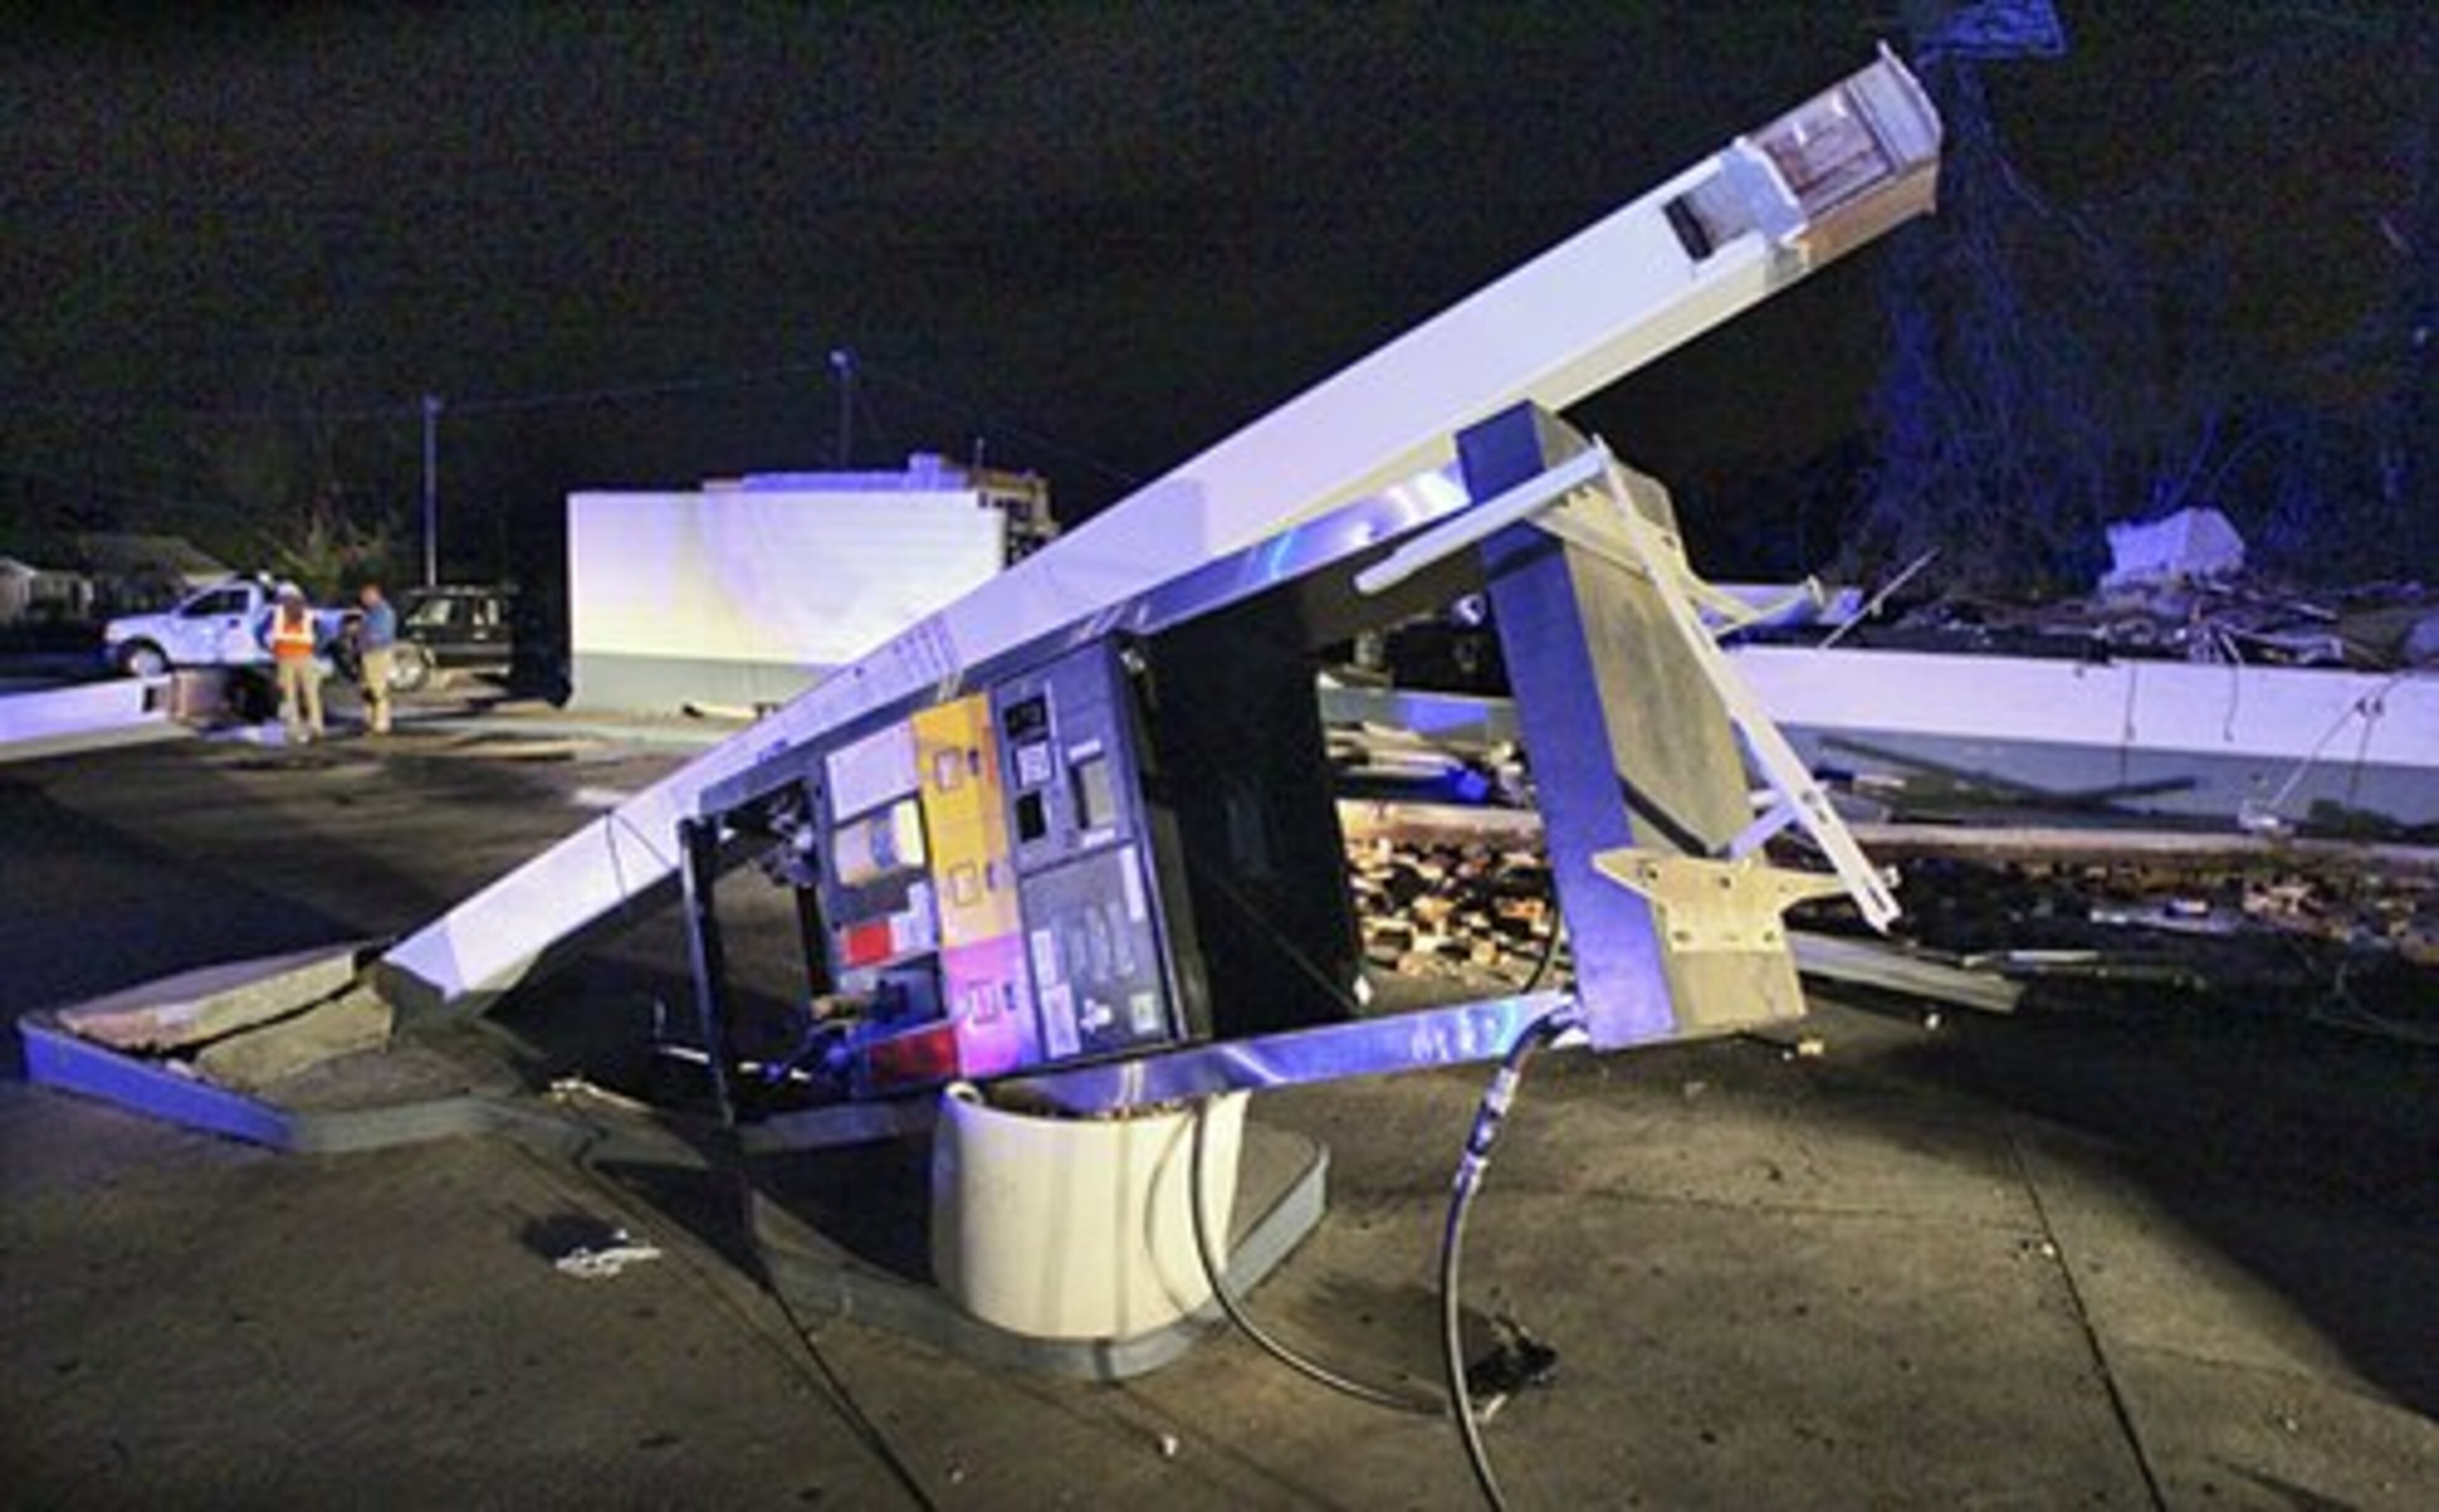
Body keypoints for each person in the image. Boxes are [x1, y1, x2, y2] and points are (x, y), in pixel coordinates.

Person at [263, 581, 324, 744]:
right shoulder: (308, 613)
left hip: (285, 657)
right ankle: (316, 726)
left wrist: (269, 648)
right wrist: (316, 649)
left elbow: (260, 631)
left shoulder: (275, 613)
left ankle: (293, 728)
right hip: (305, 656)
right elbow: (321, 631)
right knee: (311, 693)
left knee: (289, 695)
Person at [354, 581, 398, 735]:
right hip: (367, 653)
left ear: (375, 595)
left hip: (378, 654)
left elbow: (383, 635)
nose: (363, 600)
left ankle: (381, 723)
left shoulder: (384, 612)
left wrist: (365, 637)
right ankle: (369, 720)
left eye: (366, 596)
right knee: (366, 689)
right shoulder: (369, 613)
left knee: (378, 689)